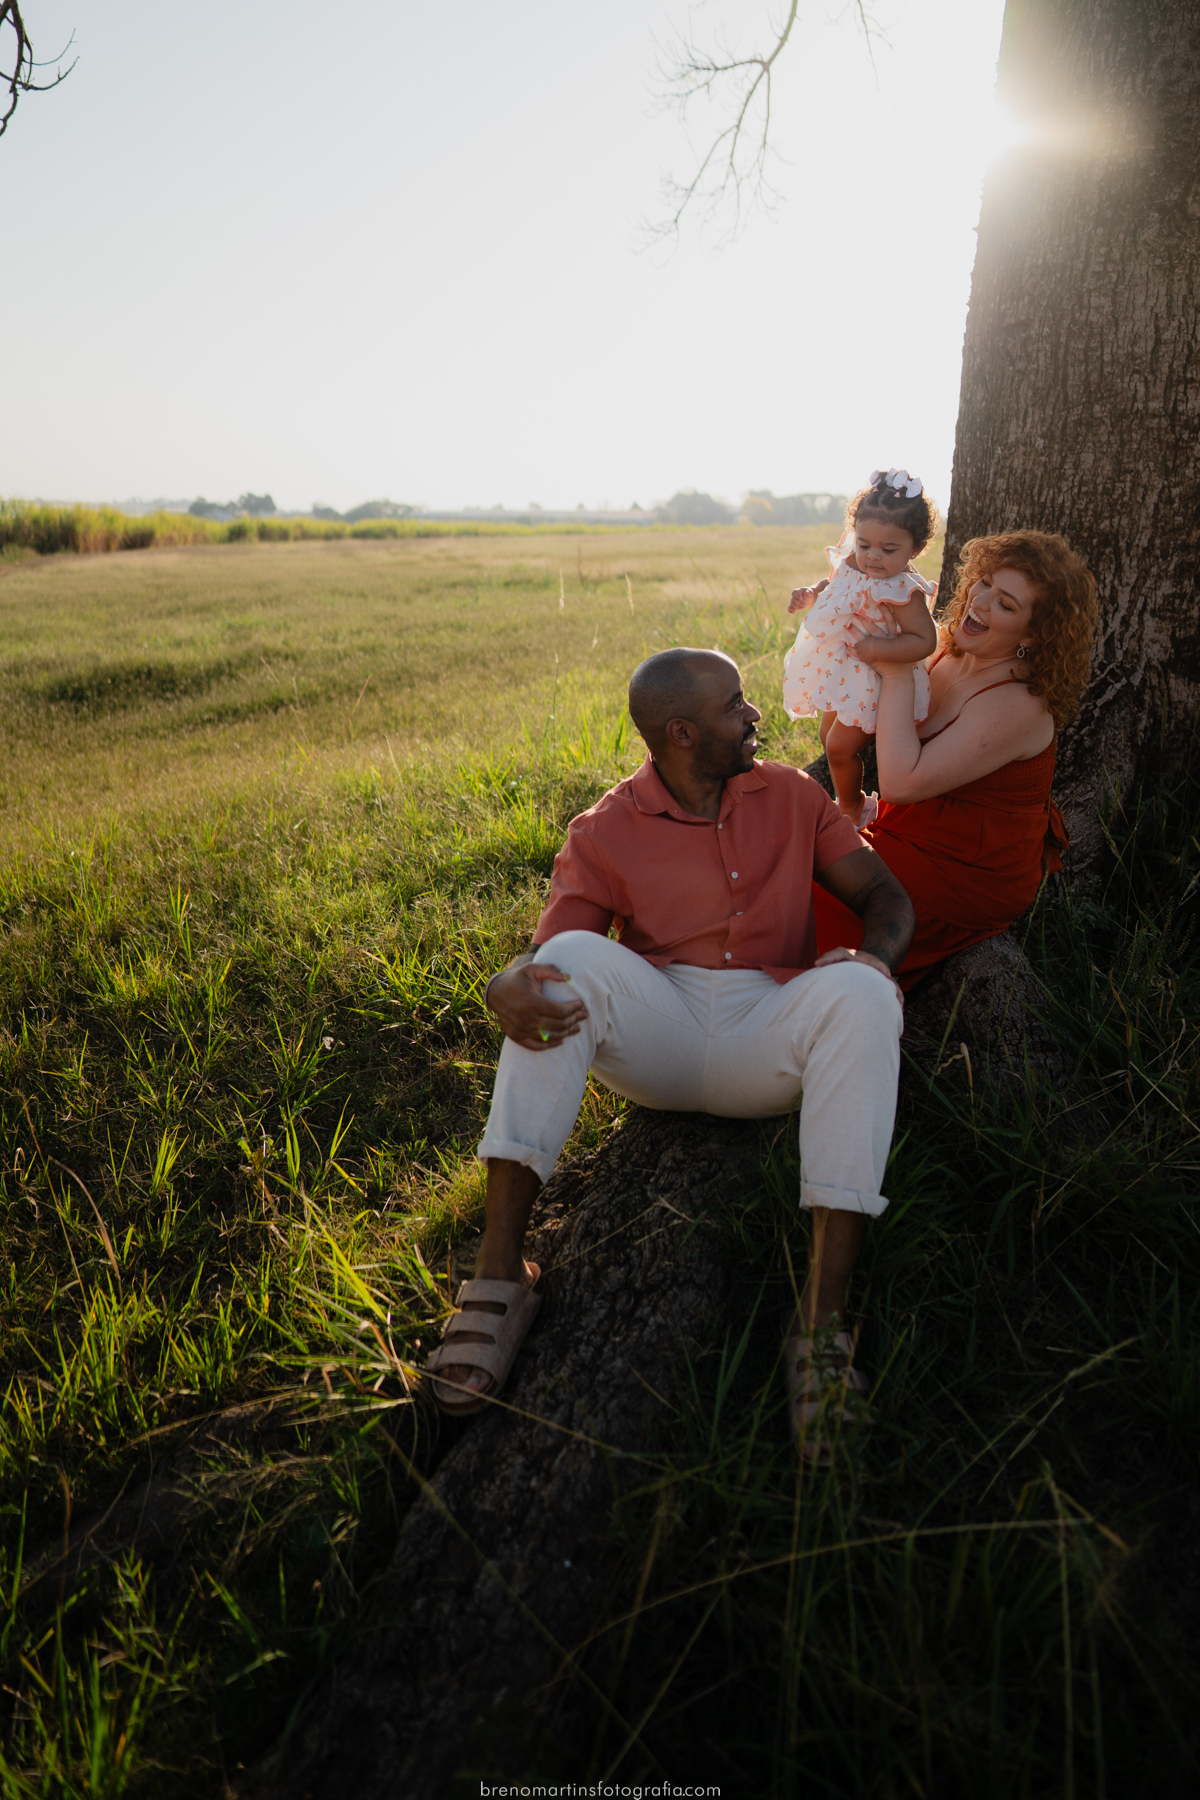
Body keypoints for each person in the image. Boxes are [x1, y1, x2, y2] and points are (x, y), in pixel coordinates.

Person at [424, 648, 916, 1456]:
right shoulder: (608, 828)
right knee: (573, 965)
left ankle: (822, 1323)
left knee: (864, 995)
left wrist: (874, 960)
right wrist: (506, 981)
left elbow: (883, 897)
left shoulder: (794, 796)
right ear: (682, 733)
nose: (754, 715)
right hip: (662, 1031)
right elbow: (550, 958)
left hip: (772, 1028)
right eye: (736, 705)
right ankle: (500, 1272)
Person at [808, 530, 1098, 988]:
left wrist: (896, 668)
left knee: (802, 888)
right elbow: (851, 706)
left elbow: (902, 782)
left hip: (965, 873)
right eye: (983, 582)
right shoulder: (942, 646)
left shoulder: (1020, 705)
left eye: (1006, 604)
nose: (980, 603)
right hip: (909, 829)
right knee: (785, 835)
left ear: (1035, 634)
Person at [783, 469, 939, 829]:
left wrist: (877, 648)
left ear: (915, 549)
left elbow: (924, 640)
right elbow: (836, 581)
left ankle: (852, 809)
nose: (873, 557)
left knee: (839, 747)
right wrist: (811, 594)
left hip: (876, 678)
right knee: (826, 736)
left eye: (888, 549)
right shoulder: (855, 559)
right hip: (844, 668)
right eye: (864, 543)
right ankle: (852, 797)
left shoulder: (902, 590)